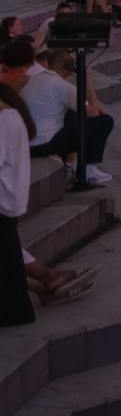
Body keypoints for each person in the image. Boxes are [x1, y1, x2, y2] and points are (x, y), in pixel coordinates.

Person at [3, 39, 112, 186]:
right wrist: (88, 81)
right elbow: (94, 113)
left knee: (71, 114)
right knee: (105, 121)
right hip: (43, 145)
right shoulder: (61, 85)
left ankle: (69, 165)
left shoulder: (34, 79)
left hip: (27, 143)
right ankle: (88, 169)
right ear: (67, 66)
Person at [0, 76, 35, 325]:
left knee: (9, 262)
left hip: (3, 200)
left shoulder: (4, 121)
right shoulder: (12, 117)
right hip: (10, 200)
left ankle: (16, 310)